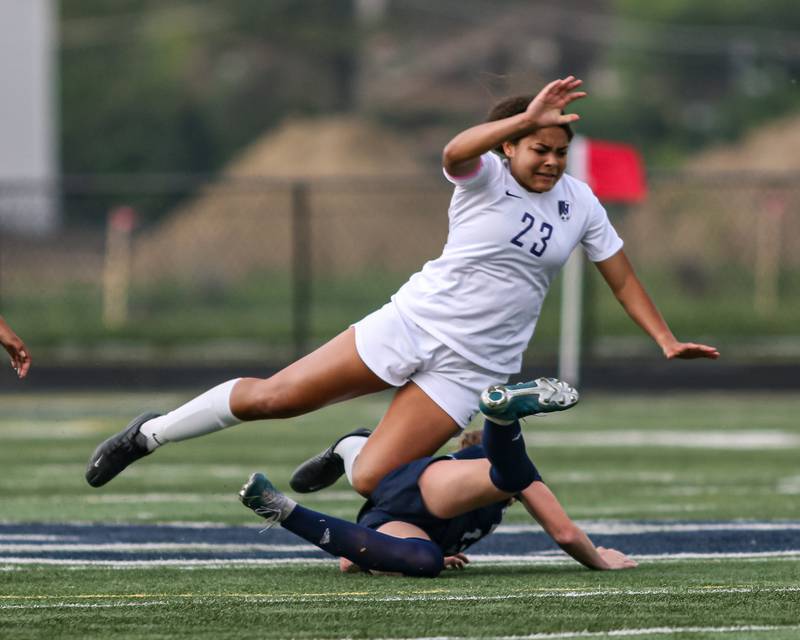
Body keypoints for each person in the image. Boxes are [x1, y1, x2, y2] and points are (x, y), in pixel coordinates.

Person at [85, 76, 718, 495]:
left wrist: (664, 338)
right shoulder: (483, 178)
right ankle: (148, 434)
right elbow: (452, 152)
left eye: (559, 149)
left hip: (473, 368)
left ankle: (351, 447)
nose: (551, 160)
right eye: (538, 148)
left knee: (371, 480)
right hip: (412, 323)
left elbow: (621, 275)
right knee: (273, 399)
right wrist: (518, 117)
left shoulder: (580, 202)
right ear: (509, 148)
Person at [239, 379, 637, 577]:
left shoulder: (492, 485)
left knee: (423, 561)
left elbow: (350, 562)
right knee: (513, 475)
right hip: (427, 487)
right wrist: (601, 560)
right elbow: (564, 533)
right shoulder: (502, 474)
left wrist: (387, 561)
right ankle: (501, 415)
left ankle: (280, 508)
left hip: (391, 513)